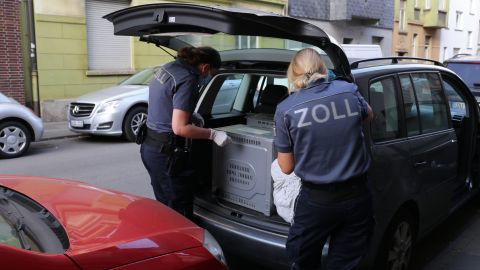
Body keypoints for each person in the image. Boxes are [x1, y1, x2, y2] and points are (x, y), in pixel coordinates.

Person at [274, 48, 375, 270]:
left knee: (301, 258)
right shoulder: (349, 90)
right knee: (346, 262)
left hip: (317, 201)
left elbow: (286, 166)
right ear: (323, 69)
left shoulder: (286, 109)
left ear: (293, 73)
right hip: (357, 195)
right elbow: (369, 115)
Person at [140, 46, 231, 220]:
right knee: (179, 212)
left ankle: (166, 241)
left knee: (164, 204)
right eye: (210, 73)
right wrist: (213, 134)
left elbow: (164, 102)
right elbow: (180, 128)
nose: (207, 77)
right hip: (166, 156)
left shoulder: (168, 68)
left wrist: (188, 114)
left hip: (150, 147)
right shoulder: (188, 79)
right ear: (205, 67)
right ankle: (181, 244)